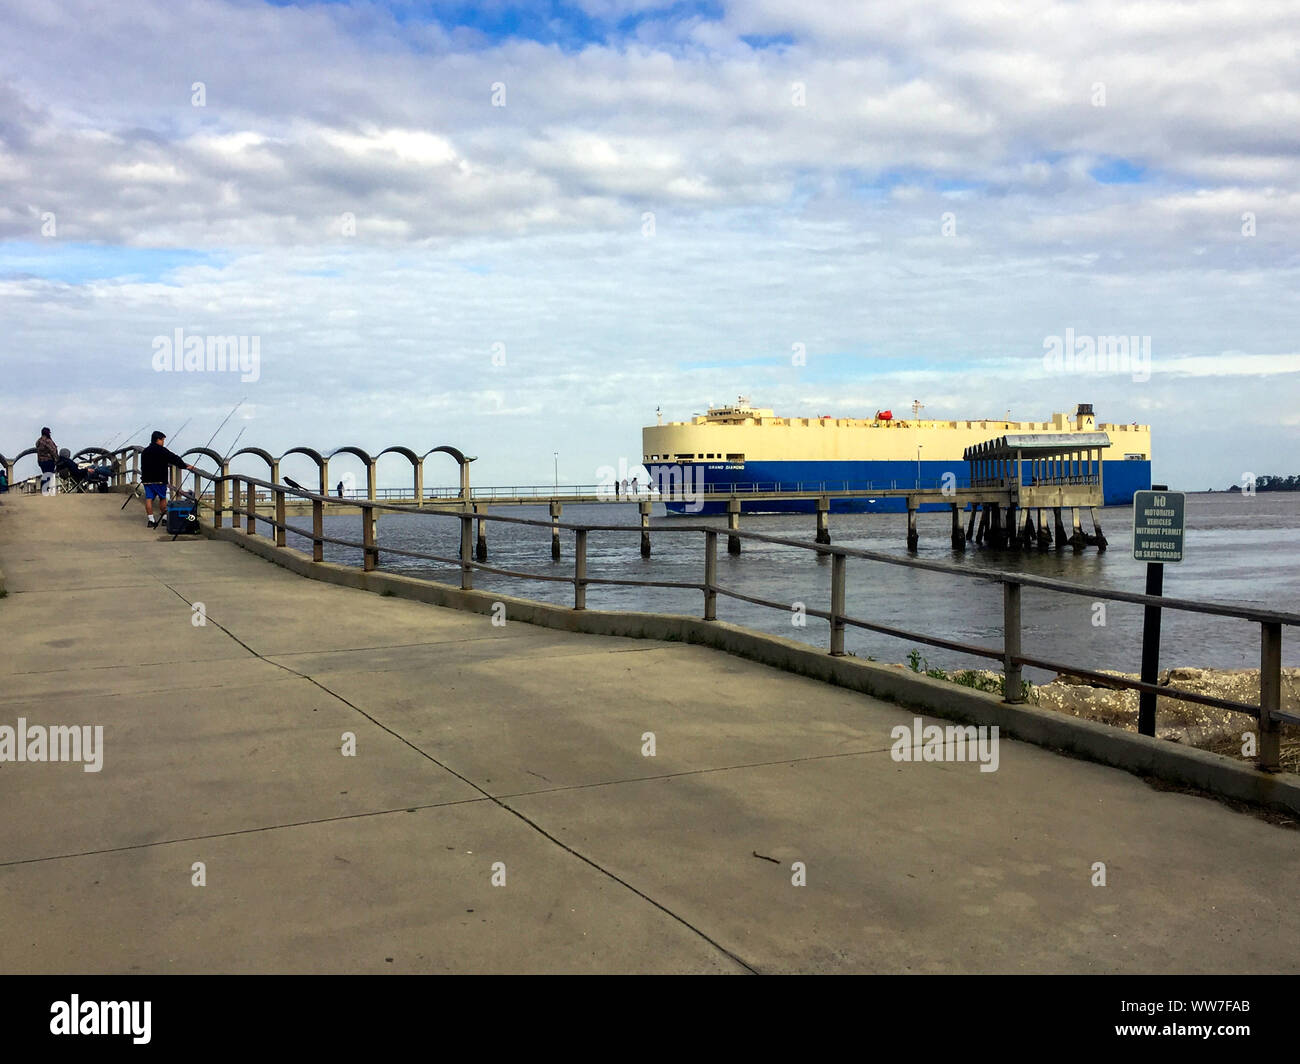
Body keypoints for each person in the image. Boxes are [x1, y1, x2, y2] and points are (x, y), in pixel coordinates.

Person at [140, 430, 197, 528]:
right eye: (162, 440)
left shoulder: (145, 451)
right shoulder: (162, 450)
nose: (163, 442)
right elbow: (174, 458)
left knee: (149, 499)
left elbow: (143, 466)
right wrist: (184, 466)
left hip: (147, 479)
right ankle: (165, 518)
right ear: (158, 439)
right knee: (162, 498)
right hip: (159, 479)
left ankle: (151, 520)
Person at [35, 427, 57, 495]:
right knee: (48, 475)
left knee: (45, 474)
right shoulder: (48, 441)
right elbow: (53, 450)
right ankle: (45, 490)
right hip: (49, 460)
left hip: (41, 461)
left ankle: (44, 489)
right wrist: (56, 458)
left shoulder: (38, 441)